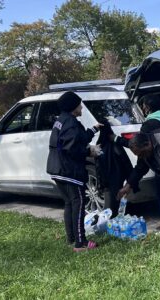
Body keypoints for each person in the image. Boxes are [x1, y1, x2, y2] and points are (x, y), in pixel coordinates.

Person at [46, 91, 102, 252]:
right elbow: (72, 148)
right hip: (69, 170)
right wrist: (89, 152)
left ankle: (71, 238)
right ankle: (81, 243)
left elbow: (78, 138)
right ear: (72, 106)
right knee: (78, 203)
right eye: (79, 105)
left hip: (57, 169)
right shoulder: (71, 123)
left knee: (69, 203)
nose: (81, 108)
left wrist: (93, 130)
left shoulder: (62, 120)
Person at [116, 128, 160, 239]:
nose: (142, 157)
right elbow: (139, 169)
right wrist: (127, 186)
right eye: (139, 155)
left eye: (143, 153)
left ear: (148, 144)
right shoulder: (143, 154)